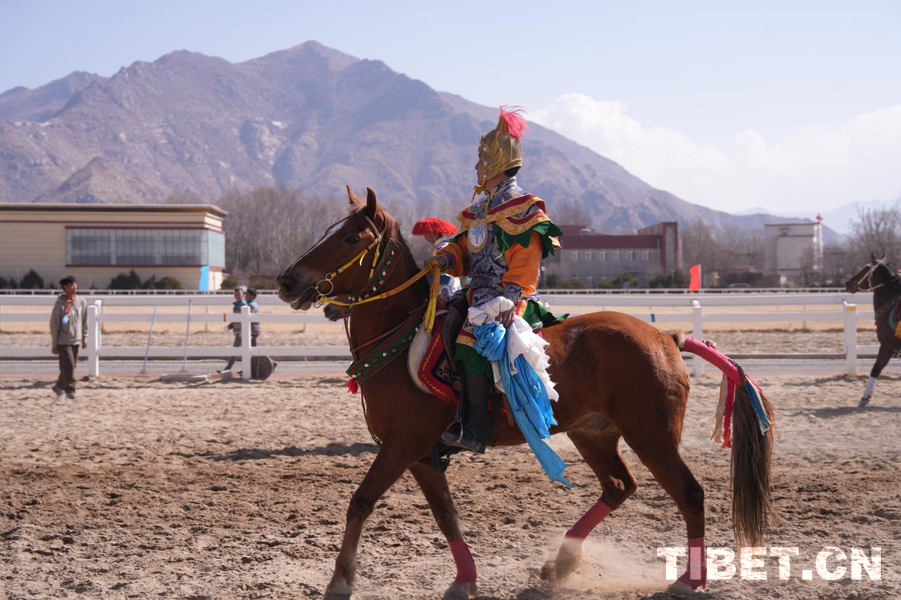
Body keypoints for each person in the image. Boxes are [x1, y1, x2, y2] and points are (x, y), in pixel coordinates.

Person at [431, 106, 563, 453]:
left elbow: (526, 260)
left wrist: (510, 299)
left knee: (470, 343)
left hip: (508, 301)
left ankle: (475, 430)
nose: (475, 166)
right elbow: (463, 251)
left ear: (493, 162)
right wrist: (446, 257)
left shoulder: (524, 208)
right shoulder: (477, 211)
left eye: (479, 159)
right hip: (475, 295)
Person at [50, 275, 88, 399]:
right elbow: (54, 324)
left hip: (76, 340)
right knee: (69, 366)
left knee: (69, 367)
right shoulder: (59, 303)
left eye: (75, 284)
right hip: (63, 341)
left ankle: (58, 387)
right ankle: (70, 389)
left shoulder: (81, 301)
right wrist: (55, 343)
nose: (75, 287)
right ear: (64, 287)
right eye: (71, 285)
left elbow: (84, 320)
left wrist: (84, 337)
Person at [220, 286, 247, 373]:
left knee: (235, 350)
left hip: (241, 332)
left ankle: (228, 368)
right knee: (244, 350)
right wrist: (230, 326)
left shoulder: (243, 305)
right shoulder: (236, 305)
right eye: (235, 294)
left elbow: (242, 319)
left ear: (243, 295)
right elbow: (236, 319)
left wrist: (242, 330)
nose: (237, 295)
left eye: (238, 294)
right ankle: (245, 369)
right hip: (238, 331)